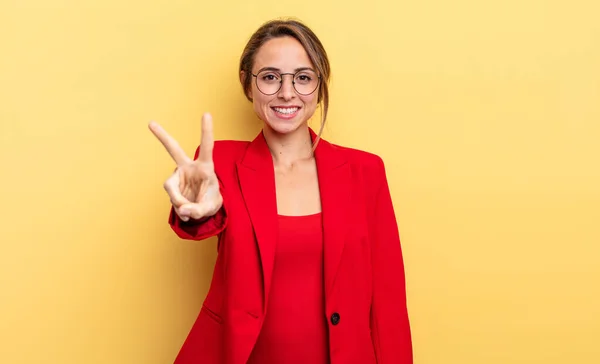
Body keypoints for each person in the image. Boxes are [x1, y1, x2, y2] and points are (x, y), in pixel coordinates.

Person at [149, 18, 412, 364]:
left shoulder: (365, 172)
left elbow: (388, 303)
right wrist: (195, 208)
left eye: (303, 78)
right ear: (248, 85)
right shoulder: (220, 163)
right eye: (270, 77)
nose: (287, 93)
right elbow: (199, 220)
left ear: (319, 87)